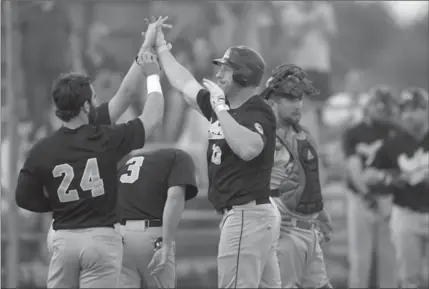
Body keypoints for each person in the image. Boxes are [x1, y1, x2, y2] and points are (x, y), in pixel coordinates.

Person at [14, 18, 168, 288]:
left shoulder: (41, 149)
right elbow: (152, 116)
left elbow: (24, 197)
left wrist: (145, 48)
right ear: (86, 106)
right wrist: (153, 75)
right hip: (100, 239)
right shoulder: (105, 138)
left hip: (63, 238)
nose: (97, 102)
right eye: (94, 98)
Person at [150, 24, 281, 288]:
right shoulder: (224, 105)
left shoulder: (256, 110)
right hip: (247, 216)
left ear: (242, 76)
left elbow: (248, 148)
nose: (219, 74)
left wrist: (220, 107)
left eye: (226, 69)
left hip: (247, 215)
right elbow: (183, 81)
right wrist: (161, 47)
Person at [262, 64, 333, 288]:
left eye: (300, 98)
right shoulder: (262, 136)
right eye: (291, 99)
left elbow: (310, 180)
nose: (298, 105)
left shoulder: (305, 135)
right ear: (273, 100)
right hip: (284, 233)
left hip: (310, 231)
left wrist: (321, 213)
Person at [370, 87, 429, 288]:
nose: (408, 115)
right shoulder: (394, 142)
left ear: (426, 109)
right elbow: (369, 174)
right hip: (406, 213)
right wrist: (391, 177)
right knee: (409, 278)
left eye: (414, 109)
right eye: (404, 110)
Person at [341, 86, 400, 288]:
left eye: (385, 104)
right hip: (360, 199)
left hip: (388, 199)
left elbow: (401, 168)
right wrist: (366, 194)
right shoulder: (354, 132)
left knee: (389, 258)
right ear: (369, 104)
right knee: (360, 258)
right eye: (378, 103)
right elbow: (352, 166)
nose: (381, 108)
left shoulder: (396, 131)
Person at [117, 147, 198, 288]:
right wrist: (166, 243)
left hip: (120, 237)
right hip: (152, 237)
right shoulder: (179, 156)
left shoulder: (127, 162)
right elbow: (175, 196)